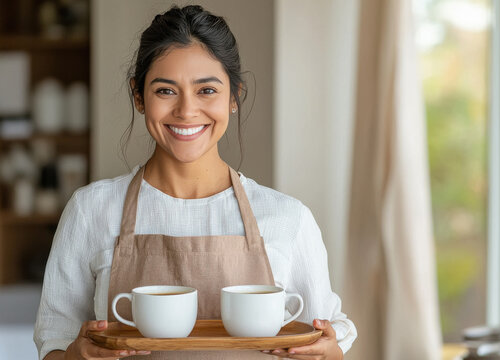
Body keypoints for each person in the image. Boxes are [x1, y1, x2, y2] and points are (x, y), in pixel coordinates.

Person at [33, 4, 357, 360]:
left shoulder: (287, 218)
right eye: (165, 91)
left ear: (234, 97)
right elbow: (55, 343)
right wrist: (75, 356)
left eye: (206, 90)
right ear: (139, 97)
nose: (186, 111)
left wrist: (331, 353)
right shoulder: (90, 210)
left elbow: (325, 335)